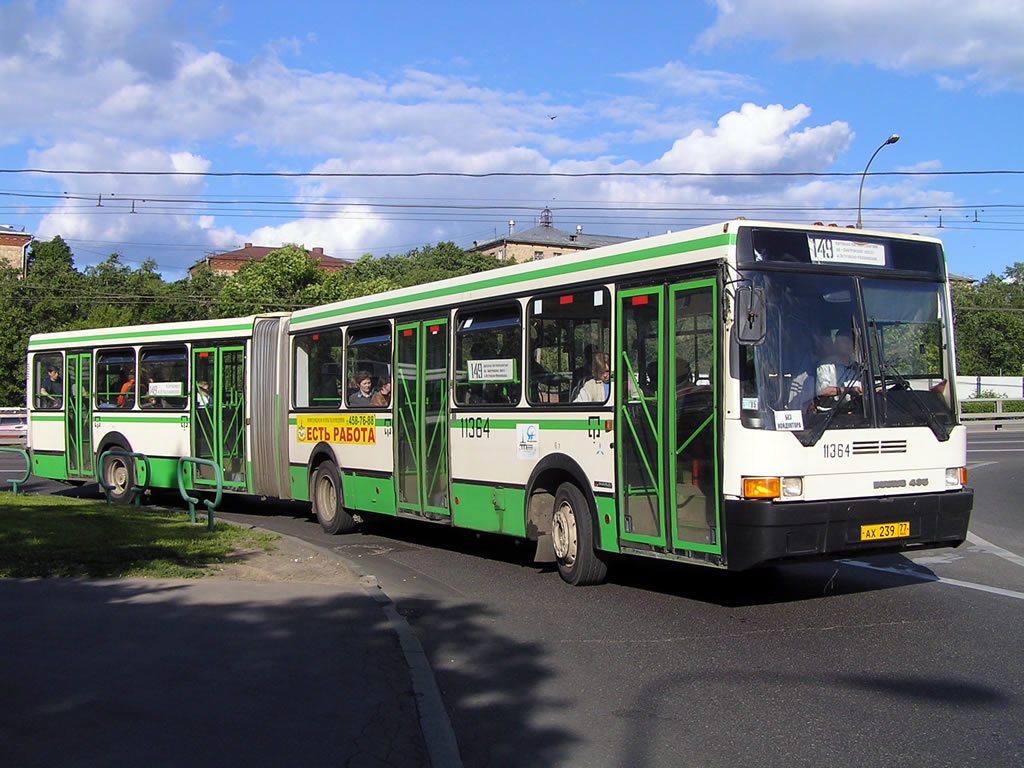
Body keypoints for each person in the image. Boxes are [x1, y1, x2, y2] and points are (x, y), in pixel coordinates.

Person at [816, 331, 862, 404]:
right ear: (835, 344)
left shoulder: (857, 367)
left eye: (850, 342)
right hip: (832, 411)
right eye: (844, 342)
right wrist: (848, 390)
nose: (848, 345)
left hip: (856, 409)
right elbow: (822, 391)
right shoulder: (826, 366)